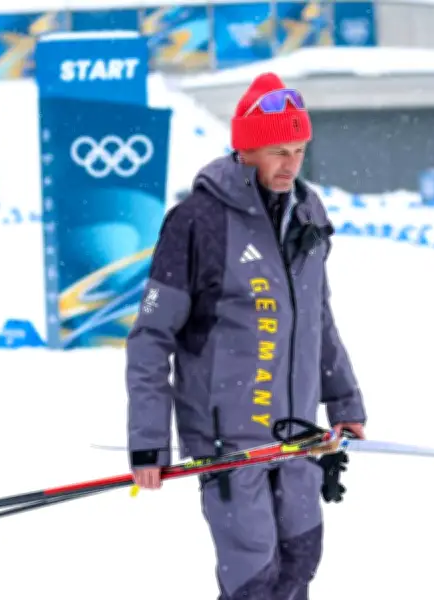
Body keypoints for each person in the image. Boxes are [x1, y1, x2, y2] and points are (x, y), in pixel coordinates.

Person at [125, 72, 367, 600]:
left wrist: (343, 399)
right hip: (228, 440)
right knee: (255, 578)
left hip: (300, 431)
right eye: (278, 150)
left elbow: (316, 316)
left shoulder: (309, 214)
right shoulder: (197, 222)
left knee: (300, 561)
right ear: (246, 149)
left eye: (299, 150)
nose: (291, 164)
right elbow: (150, 338)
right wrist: (148, 441)